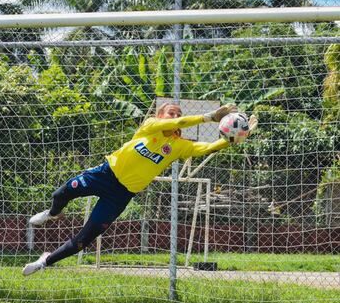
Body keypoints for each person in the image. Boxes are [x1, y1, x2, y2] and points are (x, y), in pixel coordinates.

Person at [23, 103, 257, 275]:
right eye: (171, 113)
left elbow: (206, 148)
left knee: (85, 239)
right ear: (160, 116)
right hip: (105, 174)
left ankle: (45, 261)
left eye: (179, 113)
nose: (176, 117)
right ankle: (53, 213)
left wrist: (234, 138)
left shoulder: (178, 147)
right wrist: (208, 117)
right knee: (60, 194)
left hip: (120, 196)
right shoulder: (150, 126)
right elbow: (176, 124)